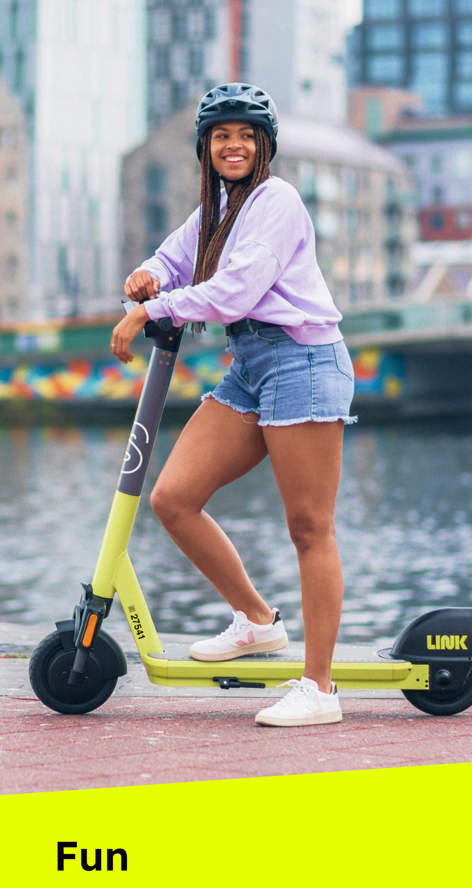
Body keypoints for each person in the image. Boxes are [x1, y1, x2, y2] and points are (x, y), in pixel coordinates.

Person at [110, 83, 357, 727]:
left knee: (309, 527)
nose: (234, 145)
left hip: (302, 361)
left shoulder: (276, 201)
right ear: (206, 149)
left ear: (264, 145)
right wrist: (148, 276)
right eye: (222, 135)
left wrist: (153, 310)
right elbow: (172, 257)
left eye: (246, 135)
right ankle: (256, 620)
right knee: (173, 497)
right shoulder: (217, 209)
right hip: (251, 366)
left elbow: (235, 292)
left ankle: (320, 689)